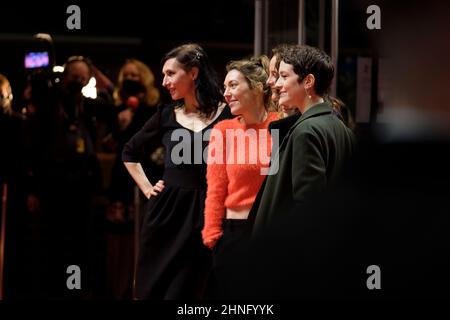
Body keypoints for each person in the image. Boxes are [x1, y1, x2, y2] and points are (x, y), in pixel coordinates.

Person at [122, 43, 232, 299]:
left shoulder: (227, 114)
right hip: (167, 213)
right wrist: (148, 187)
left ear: (193, 73)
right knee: (155, 288)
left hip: (210, 211)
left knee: (197, 289)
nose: (164, 82)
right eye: (163, 75)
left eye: (170, 74)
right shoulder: (166, 115)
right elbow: (129, 152)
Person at [252, 44, 356, 236]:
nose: (276, 84)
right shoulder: (343, 129)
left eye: (284, 76)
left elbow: (308, 207)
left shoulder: (306, 130)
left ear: (308, 81)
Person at [201, 56, 278, 298]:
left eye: (233, 85)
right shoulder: (223, 131)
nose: (226, 93)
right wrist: (212, 236)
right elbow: (215, 188)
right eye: (225, 87)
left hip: (271, 233)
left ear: (256, 87)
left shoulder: (282, 125)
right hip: (233, 233)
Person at [106, 59, 163, 299]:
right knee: (115, 233)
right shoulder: (117, 106)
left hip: (145, 174)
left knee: (137, 233)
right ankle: (115, 288)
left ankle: (137, 287)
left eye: (134, 75)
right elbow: (112, 141)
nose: (130, 79)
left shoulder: (154, 108)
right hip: (121, 176)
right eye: (125, 75)